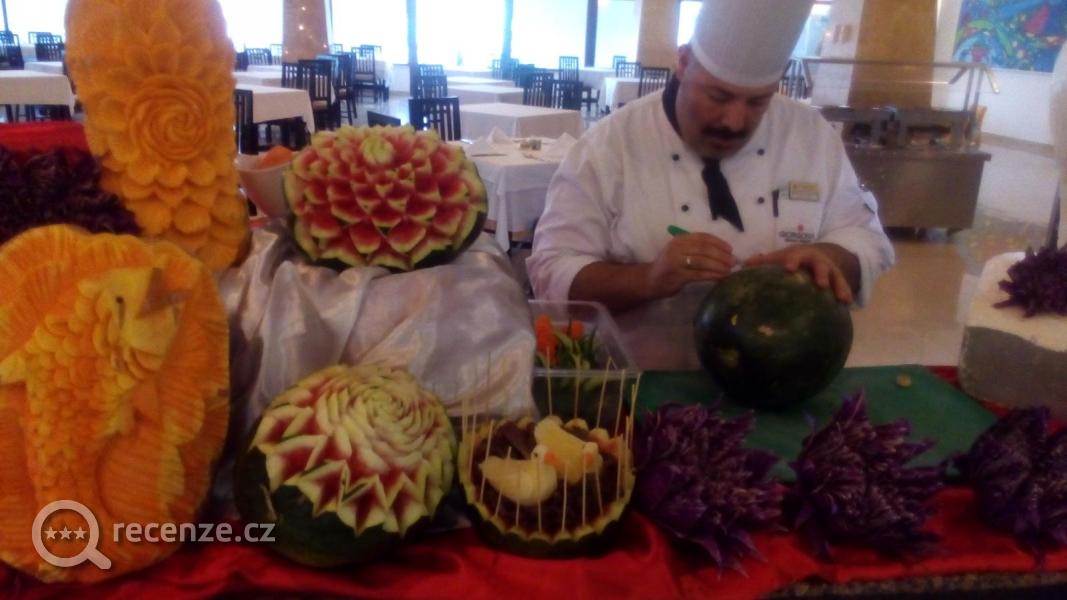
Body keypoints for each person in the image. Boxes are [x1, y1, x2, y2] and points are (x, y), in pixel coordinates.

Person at [527, 0, 895, 370]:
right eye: (718, 96)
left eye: (757, 102)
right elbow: (553, 270)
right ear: (683, 63)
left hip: (781, 381)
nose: (734, 121)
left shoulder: (811, 136)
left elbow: (866, 239)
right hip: (638, 378)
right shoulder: (608, 147)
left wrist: (831, 258)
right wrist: (648, 279)